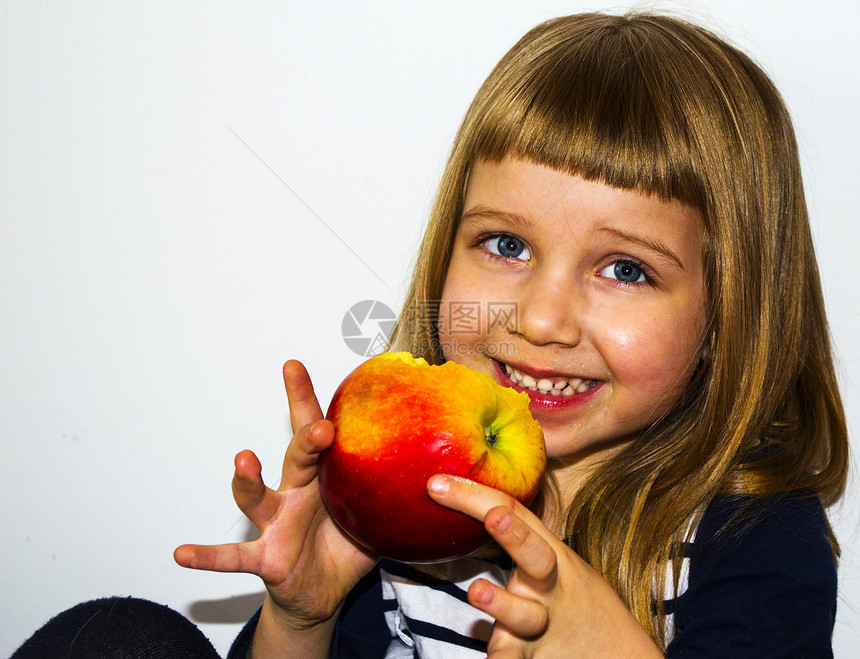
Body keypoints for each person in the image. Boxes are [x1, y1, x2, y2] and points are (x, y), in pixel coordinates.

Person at [14, 11, 848, 659]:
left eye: (625, 269)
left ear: (727, 313)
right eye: (506, 244)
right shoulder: (410, 492)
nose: (539, 319)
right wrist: (302, 615)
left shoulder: (753, 537)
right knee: (118, 638)